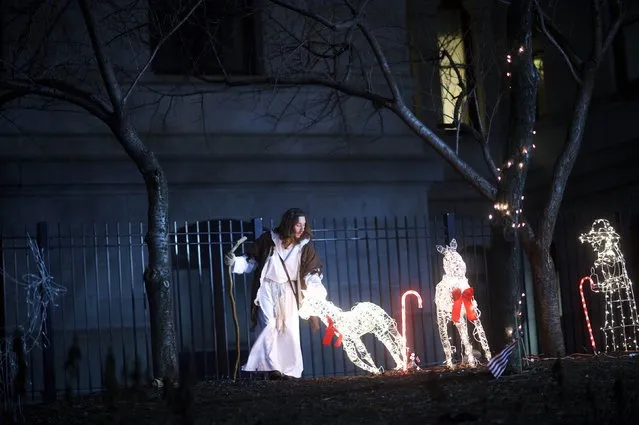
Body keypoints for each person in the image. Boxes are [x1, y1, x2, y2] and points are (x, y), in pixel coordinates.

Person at [225, 208, 324, 379]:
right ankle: (273, 368)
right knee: (269, 325)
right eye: (297, 224)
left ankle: (290, 371)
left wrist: (315, 289)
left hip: (289, 290)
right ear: (288, 224)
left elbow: (311, 272)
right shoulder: (268, 240)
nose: (301, 228)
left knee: (290, 329)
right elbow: (251, 262)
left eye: (303, 225)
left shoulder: (304, 246)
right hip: (267, 288)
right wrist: (235, 262)